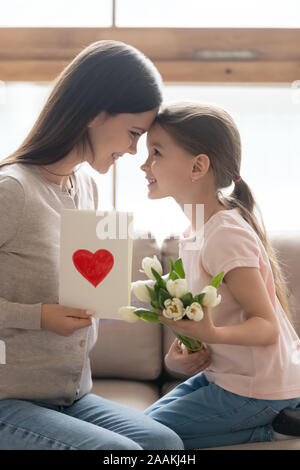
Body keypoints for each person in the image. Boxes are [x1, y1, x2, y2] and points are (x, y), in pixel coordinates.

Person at [0, 40, 184, 451]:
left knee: (165, 445)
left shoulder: (85, 187)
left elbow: (89, 292)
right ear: (94, 113)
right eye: (134, 133)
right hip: (8, 399)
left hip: (69, 395)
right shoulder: (12, 191)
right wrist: (39, 317)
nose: (135, 151)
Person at [139, 101, 300, 449]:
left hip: (260, 388)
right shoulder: (194, 232)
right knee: (137, 432)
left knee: (142, 441)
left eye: (155, 153)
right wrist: (184, 351)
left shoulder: (224, 233)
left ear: (198, 166)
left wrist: (211, 331)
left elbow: (266, 325)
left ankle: (277, 426)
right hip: (224, 378)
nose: (144, 165)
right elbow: (213, 320)